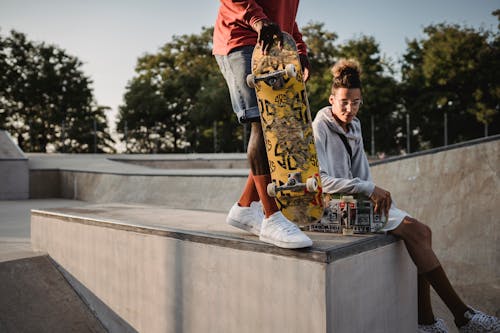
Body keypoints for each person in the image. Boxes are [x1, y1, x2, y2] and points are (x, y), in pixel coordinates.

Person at [312, 58, 500, 333]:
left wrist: (385, 202)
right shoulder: (320, 126)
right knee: (417, 231)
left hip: (355, 205)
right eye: (343, 102)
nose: (350, 108)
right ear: (332, 99)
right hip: (330, 210)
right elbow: (321, 181)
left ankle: (427, 323)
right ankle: (463, 317)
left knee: (422, 231)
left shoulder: (356, 126)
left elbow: (363, 173)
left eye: (356, 102)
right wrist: (368, 190)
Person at [213, 0, 313, 249]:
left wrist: (299, 50)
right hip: (241, 39)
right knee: (264, 123)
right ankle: (272, 218)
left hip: (272, 44)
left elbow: (286, 15)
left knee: (278, 125)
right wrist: (257, 20)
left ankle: (245, 208)